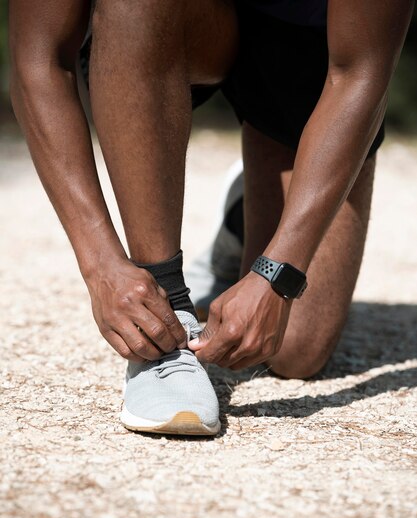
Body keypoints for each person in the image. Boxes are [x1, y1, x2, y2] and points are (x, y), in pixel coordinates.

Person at [9, 0, 413, 436]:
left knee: (294, 351)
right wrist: (102, 263)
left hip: (303, 40)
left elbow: (361, 74)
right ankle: (166, 312)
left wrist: (278, 274)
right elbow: (39, 59)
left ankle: (243, 227)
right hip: (173, 21)